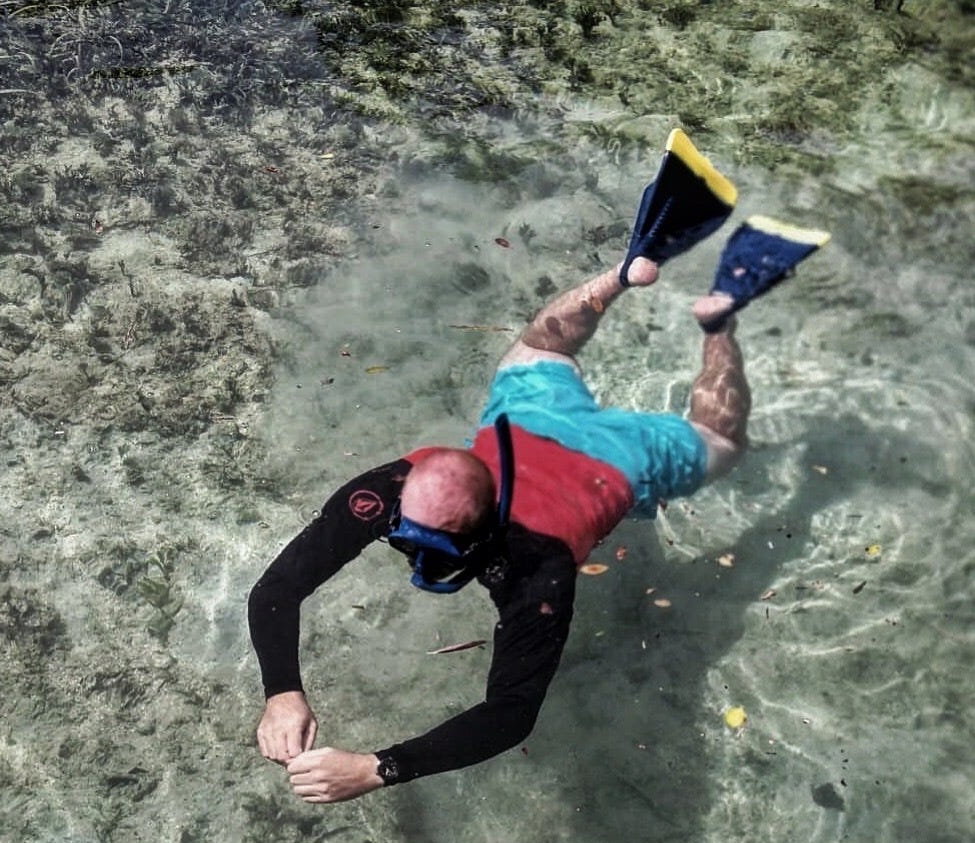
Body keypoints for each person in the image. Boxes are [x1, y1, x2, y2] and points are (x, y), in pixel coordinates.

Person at [247, 131, 829, 804]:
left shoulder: (536, 571)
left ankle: (717, 317)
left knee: (719, 439)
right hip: (530, 416)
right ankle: (628, 271)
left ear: (484, 531)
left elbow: (510, 715)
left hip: (619, 459)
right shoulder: (384, 494)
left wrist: (377, 768)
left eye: (432, 549)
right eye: (405, 537)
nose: (413, 559)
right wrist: (282, 691)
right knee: (538, 348)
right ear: (405, 485)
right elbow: (276, 590)